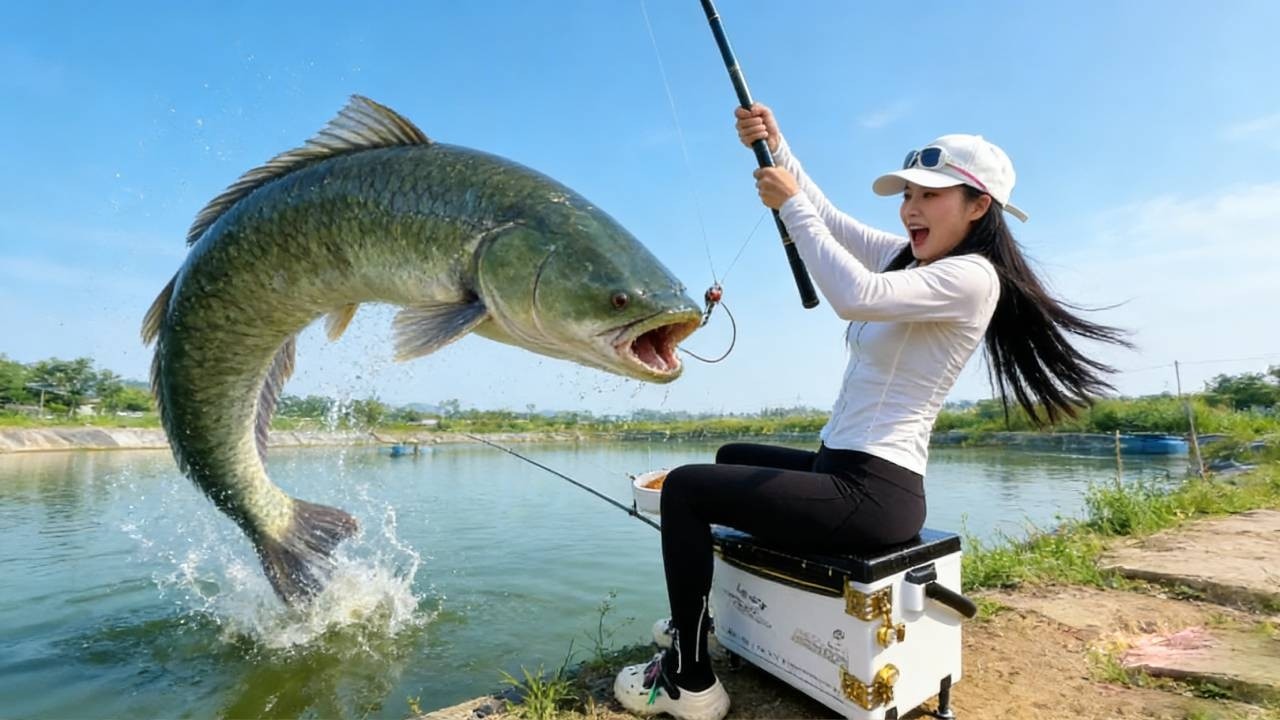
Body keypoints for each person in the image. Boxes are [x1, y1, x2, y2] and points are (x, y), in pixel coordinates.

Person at [612, 103, 1130, 719]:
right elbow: (830, 219)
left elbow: (854, 295)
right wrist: (779, 147)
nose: (911, 206)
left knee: (689, 491)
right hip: (843, 470)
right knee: (730, 459)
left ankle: (690, 678)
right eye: (907, 192)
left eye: (930, 195)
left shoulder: (972, 278)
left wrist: (788, 205)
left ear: (978, 205)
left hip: (873, 494)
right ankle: (698, 615)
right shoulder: (914, 260)